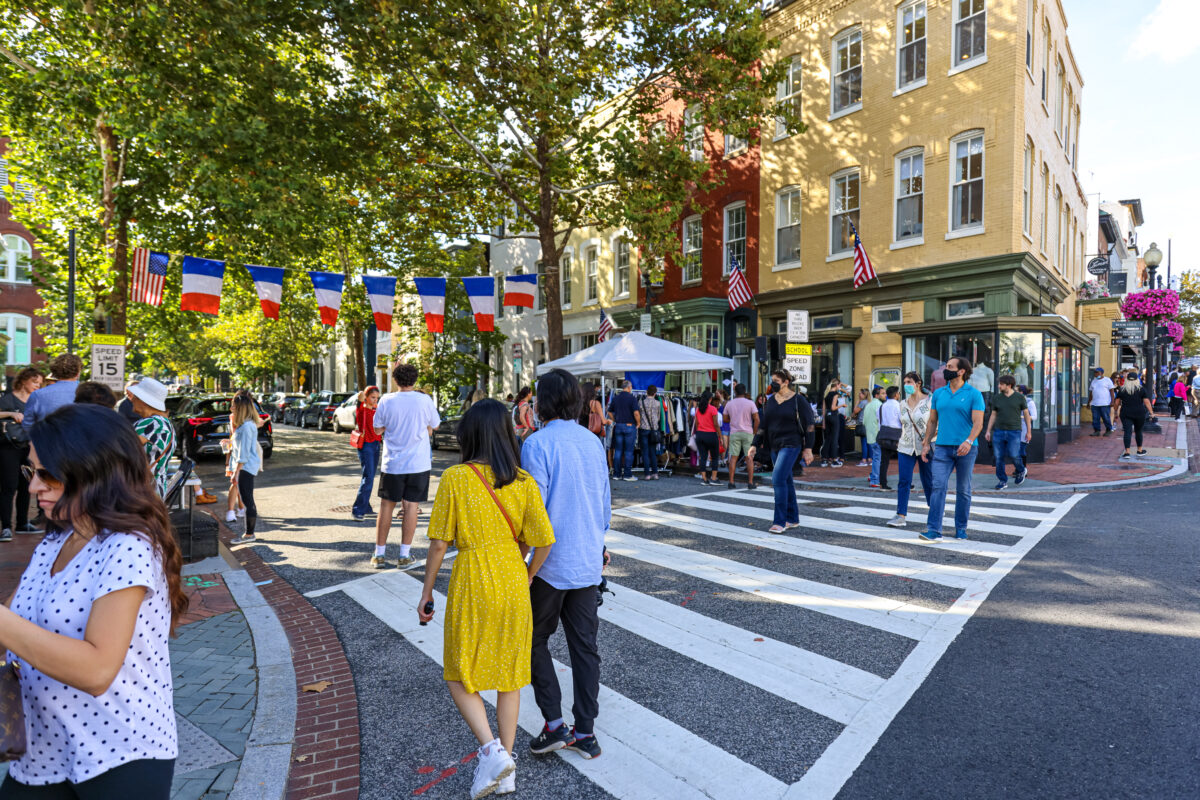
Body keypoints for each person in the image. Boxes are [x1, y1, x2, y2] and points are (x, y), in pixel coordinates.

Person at [1, 403, 187, 795]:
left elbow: (96, 670)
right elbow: (13, 624)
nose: (34, 487)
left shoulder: (129, 546)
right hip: (41, 751)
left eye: (47, 475)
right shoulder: (57, 539)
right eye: (30, 472)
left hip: (120, 754)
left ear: (94, 472)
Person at [418, 399, 555, 799]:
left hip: (474, 579)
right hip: (514, 579)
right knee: (510, 676)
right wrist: (526, 574)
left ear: (469, 435)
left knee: (459, 672)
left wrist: (426, 591)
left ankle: (492, 751)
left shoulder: (456, 478)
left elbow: (440, 543)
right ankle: (506, 767)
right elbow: (543, 541)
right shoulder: (524, 481)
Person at [521, 368, 609, 765]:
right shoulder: (592, 442)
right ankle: (586, 731)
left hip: (549, 563)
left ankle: (554, 722)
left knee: (533, 638)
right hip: (588, 558)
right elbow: (604, 505)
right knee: (585, 648)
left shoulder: (537, 444)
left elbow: (533, 511)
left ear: (542, 402)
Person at [372, 363, 441, 568]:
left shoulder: (386, 400)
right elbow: (435, 425)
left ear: (395, 380)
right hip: (418, 463)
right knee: (412, 507)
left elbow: (377, 429)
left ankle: (379, 554)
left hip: (393, 463)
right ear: (415, 379)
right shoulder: (424, 400)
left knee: (386, 507)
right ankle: (404, 555)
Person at [919, 356, 985, 542]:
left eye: (949, 367)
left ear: (961, 371)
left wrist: (969, 441)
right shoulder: (939, 394)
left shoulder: (974, 394)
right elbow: (932, 421)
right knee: (938, 486)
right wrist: (925, 444)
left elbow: (978, 423)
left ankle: (961, 528)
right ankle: (933, 530)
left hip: (966, 449)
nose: (945, 369)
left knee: (963, 489)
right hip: (941, 448)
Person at [748, 369, 815, 534]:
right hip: (774, 445)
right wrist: (754, 444)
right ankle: (792, 518)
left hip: (792, 444)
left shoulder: (799, 400)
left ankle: (779, 521)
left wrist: (808, 448)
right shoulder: (770, 401)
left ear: (786, 382)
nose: (773, 383)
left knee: (777, 478)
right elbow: (763, 425)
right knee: (786, 480)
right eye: (772, 380)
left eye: (776, 380)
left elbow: (810, 425)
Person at [0, 367, 43, 541]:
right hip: (8, 448)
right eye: (34, 382)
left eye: (40, 383)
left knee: (26, 487)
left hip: (28, 448)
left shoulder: (36, 401)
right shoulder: (8, 398)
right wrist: (12, 413)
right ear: (23, 380)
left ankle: (22, 523)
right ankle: (6, 528)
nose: (37, 386)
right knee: (8, 487)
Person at [887, 372, 933, 528]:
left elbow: (936, 424)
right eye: (905, 382)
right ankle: (900, 515)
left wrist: (929, 440)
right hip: (905, 446)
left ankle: (934, 510)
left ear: (918, 383)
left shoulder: (929, 402)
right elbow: (902, 425)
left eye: (909, 382)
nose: (906, 385)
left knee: (928, 480)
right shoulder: (902, 404)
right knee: (904, 481)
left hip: (925, 446)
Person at [127, 378, 177, 499]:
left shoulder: (151, 424)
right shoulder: (165, 423)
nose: (131, 399)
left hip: (141, 492)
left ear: (144, 401)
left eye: (136, 396)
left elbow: (121, 448)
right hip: (154, 490)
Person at [984, 375, 1031, 490]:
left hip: (1014, 431)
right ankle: (1002, 480)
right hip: (999, 431)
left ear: (1008, 385)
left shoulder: (1019, 398)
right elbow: (993, 415)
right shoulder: (997, 398)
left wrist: (1029, 432)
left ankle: (1021, 470)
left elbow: (1026, 415)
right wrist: (988, 431)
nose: (999, 386)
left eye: (1001, 384)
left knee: (1014, 454)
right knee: (998, 457)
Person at [227, 394, 261, 545]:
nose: (231, 407)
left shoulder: (247, 426)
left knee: (248, 500)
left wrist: (236, 471)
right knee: (247, 499)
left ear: (240, 407)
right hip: (244, 467)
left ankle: (249, 534)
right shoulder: (245, 425)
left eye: (234, 405)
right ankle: (249, 533)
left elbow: (244, 453)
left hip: (245, 467)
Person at [22, 353, 82, 431]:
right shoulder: (91, 394)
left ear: (54, 374)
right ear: (78, 373)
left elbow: (27, 425)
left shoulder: (38, 395)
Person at [352, 386, 382, 521]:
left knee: (370, 476)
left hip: (376, 445)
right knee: (368, 477)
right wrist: (362, 398)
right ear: (366, 397)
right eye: (372, 397)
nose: (375, 400)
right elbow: (359, 397)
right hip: (366, 446)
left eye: (377, 398)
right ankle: (357, 510)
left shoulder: (377, 410)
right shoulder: (361, 409)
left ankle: (366, 507)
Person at [723, 384, 759, 490]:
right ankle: (750, 482)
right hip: (748, 432)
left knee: (733, 457)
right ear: (745, 391)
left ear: (735, 392)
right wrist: (754, 432)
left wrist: (734, 420)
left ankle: (731, 482)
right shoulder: (750, 403)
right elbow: (757, 419)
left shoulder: (730, 403)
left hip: (734, 432)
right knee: (749, 458)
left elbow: (725, 419)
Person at [1112, 371, 1154, 460]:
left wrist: (1115, 410)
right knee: (1138, 431)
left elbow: (1116, 402)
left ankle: (1127, 452)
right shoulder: (1141, 389)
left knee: (1127, 432)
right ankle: (1139, 450)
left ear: (1127, 380)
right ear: (1137, 380)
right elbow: (1146, 402)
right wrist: (1151, 412)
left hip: (1126, 413)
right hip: (1139, 413)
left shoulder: (1122, 390)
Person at [606, 380, 639, 481]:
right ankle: (628, 475)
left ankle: (617, 474)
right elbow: (636, 413)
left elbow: (609, 411)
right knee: (628, 451)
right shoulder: (632, 398)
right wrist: (638, 423)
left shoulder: (616, 398)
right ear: (629, 388)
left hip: (618, 426)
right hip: (629, 426)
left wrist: (615, 420)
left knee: (618, 451)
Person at [693, 390, 721, 485]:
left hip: (700, 434)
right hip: (711, 434)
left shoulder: (698, 409)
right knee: (714, 457)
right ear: (710, 399)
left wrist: (699, 431)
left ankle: (704, 479)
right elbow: (716, 424)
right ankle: (713, 478)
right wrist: (720, 436)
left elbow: (696, 424)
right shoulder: (713, 409)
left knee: (703, 457)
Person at [637, 385, 664, 480]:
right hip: (654, 430)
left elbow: (638, 415)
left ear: (646, 392)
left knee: (645, 452)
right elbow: (659, 416)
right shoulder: (658, 403)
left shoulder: (641, 402)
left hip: (644, 428)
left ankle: (647, 474)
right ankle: (655, 473)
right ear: (655, 393)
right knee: (653, 452)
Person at [877, 385, 901, 490]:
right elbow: (902, 420)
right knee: (903, 460)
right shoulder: (899, 406)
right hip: (897, 436)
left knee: (884, 461)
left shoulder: (881, 406)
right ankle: (905, 482)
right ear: (896, 395)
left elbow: (879, 421)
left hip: (883, 435)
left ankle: (883, 483)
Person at [820, 379, 845, 467]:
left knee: (828, 439)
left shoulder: (826, 393)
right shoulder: (835, 394)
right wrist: (842, 405)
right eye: (840, 385)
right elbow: (833, 407)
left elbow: (824, 409)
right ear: (837, 385)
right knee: (834, 438)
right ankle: (834, 459)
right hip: (834, 416)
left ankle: (824, 459)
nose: (840, 387)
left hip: (827, 417)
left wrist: (823, 422)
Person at [863, 386, 884, 488]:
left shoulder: (868, 405)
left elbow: (864, 421)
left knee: (877, 457)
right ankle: (874, 479)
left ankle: (872, 475)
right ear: (877, 395)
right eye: (883, 393)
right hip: (878, 436)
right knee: (877, 458)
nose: (885, 395)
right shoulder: (880, 405)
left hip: (870, 435)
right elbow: (882, 422)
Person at [1088, 366, 1115, 437]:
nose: (1095, 374)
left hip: (1105, 403)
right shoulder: (1093, 381)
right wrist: (1089, 402)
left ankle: (1108, 430)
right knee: (1095, 418)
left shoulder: (1107, 380)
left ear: (1102, 373)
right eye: (1095, 373)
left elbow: (1112, 391)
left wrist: (1112, 401)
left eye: (1097, 372)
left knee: (1106, 417)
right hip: (1095, 403)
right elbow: (1091, 393)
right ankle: (1097, 431)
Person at [853, 388, 871, 466]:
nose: (859, 394)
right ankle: (870, 459)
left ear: (864, 395)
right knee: (869, 443)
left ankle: (864, 460)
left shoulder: (862, 402)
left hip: (862, 424)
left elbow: (855, 411)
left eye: (860, 393)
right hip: (868, 424)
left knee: (864, 442)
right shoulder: (869, 402)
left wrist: (857, 402)